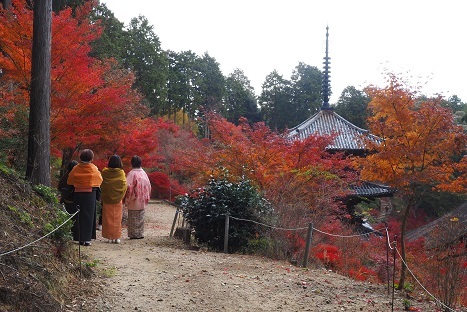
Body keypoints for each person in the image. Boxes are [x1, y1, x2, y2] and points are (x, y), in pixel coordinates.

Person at [67, 149, 103, 246]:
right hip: (90, 194)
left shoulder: (76, 168)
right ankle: (87, 239)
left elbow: (70, 180)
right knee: (89, 216)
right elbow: (99, 180)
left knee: (78, 215)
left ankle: (78, 237)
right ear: (91, 158)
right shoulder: (93, 168)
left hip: (78, 194)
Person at [100, 155, 127, 244]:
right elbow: (124, 185)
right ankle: (116, 237)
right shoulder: (121, 173)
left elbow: (102, 184)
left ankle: (109, 237)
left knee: (107, 218)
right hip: (118, 198)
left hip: (107, 198)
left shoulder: (104, 172)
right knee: (117, 218)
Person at [124, 155, 151, 239]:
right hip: (142, 198)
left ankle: (134, 234)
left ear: (132, 163)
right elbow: (148, 186)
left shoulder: (132, 173)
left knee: (133, 217)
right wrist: (146, 196)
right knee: (140, 217)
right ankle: (140, 233)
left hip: (134, 199)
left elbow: (128, 187)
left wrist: (126, 199)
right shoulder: (144, 173)